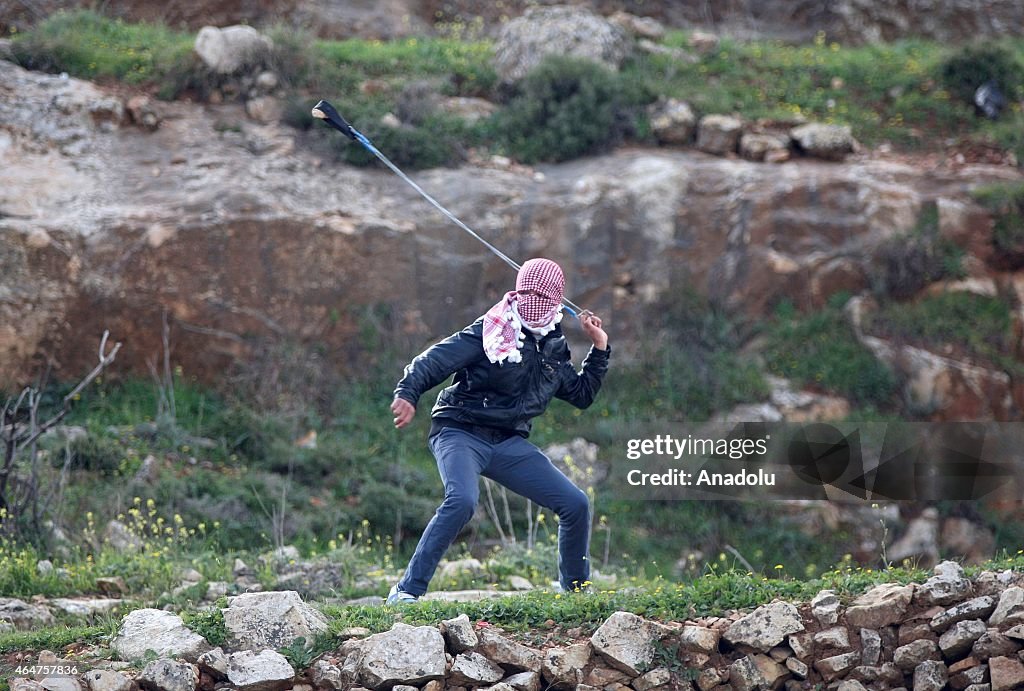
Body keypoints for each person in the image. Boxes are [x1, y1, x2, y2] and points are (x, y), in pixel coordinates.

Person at [386, 258, 610, 604]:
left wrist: (598, 348)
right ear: (517, 293)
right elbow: (434, 361)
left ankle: (577, 594)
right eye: (527, 297)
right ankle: (406, 592)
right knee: (462, 500)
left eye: (541, 300)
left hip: (507, 442)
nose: (532, 306)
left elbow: (581, 395)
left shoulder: (553, 344)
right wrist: (407, 393)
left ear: (557, 304)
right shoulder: (489, 331)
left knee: (576, 504)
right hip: (460, 431)